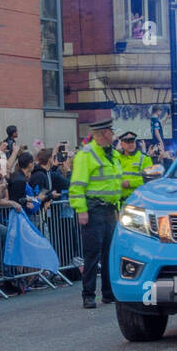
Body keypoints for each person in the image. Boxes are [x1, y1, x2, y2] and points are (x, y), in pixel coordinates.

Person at [69, 116, 124, 309]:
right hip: (93, 209)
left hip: (110, 209)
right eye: (111, 132)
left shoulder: (113, 154)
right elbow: (76, 185)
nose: (113, 134)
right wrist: (81, 210)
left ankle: (108, 293)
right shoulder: (86, 154)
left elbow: (115, 182)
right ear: (103, 134)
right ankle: (88, 294)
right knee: (92, 254)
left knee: (110, 253)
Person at [115, 132, 151, 201]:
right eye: (127, 142)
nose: (130, 144)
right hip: (119, 201)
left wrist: (130, 183)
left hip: (137, 201)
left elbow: (149, 180)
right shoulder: (116, 159)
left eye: (132, 141)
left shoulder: (144, 158)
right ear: (121, 144)